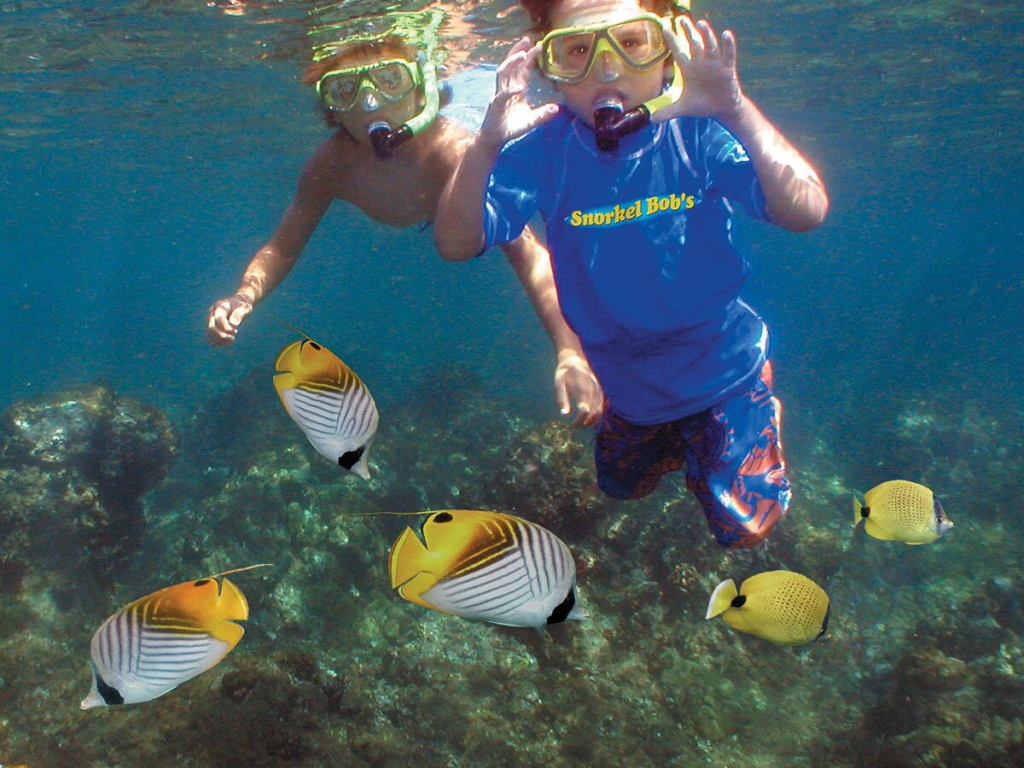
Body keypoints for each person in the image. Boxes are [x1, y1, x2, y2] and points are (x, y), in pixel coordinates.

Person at [433, 0, 829, 548]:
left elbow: (806, 210)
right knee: (623, 488)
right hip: (627, 384)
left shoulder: (697, 131)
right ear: (551, 69)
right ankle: (686, 443)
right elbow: (456, 243)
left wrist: (734, 108)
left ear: (666, 50)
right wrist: (485, 146)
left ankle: (755, 414)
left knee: (745, 528)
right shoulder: (545, 149)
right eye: (576, 51)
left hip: (724, 371)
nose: (607, 68)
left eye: (632, 42)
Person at [206, 30, 603, 426]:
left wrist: (570, 352)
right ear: (332, 109)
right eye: (345, 89)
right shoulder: (331, 164)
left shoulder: (455, 152)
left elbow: (526, 250)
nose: (370, 102)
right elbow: (283, 247)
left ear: (419, 90)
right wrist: (243, 297)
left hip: (474, 135)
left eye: (389, 80)